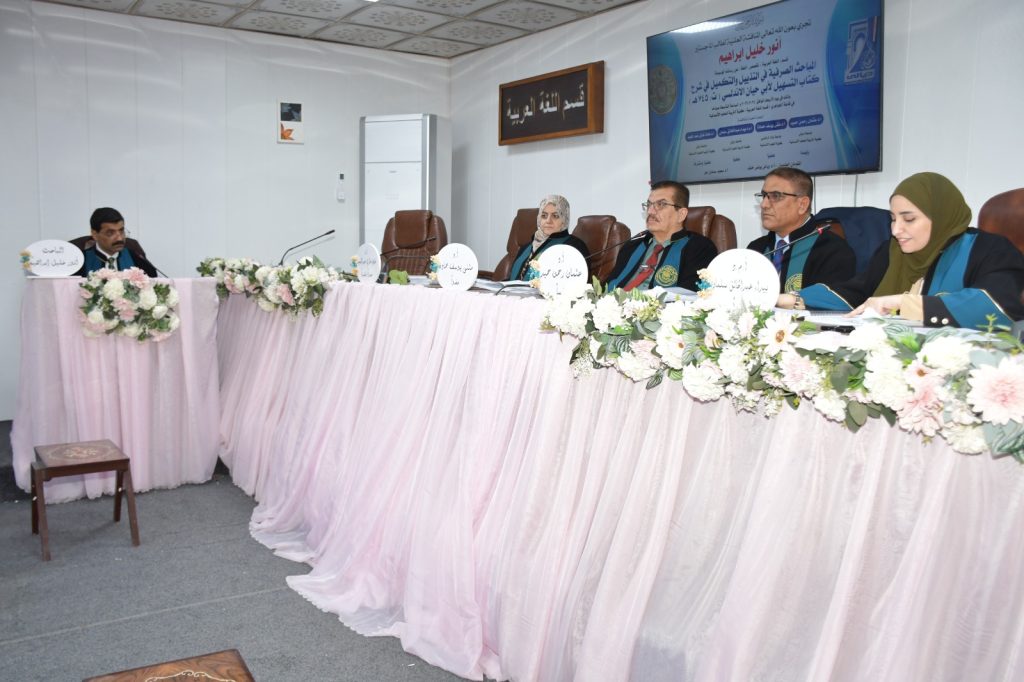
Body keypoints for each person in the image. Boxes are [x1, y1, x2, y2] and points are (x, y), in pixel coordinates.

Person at [778, 172, 1024, 329]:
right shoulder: (893, 251)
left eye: (909, 219)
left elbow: (996, 304)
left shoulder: (988, 249)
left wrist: (902, 303)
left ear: (939, 216)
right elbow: (856, 292)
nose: (896, 230)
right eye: (893, 219)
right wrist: (791, 299)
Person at [747, 166, 855, 292]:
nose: (763, 204)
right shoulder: (755, 249)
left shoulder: (832, 251)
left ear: (802, 205)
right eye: (764, 195)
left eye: (775, 196)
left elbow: (828, 301)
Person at [604, 180, 717, 291]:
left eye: (661, 204)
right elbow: (608, 286)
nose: (650, 211)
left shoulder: (700, 248)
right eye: (649, 204)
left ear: (681, 214)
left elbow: (691, 293)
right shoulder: (632, 246)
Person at [509, 195, 589, 280]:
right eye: (544, 216)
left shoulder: (574, 246)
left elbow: (577, 281)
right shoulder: (526, 247)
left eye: (555, 216)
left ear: (564, 219)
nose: (548, 221)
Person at [73, 207, 158, 277]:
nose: (119, 238)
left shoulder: (137, 259)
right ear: (95, 234)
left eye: (121, 231)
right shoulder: (80, 263)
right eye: (110, 233)